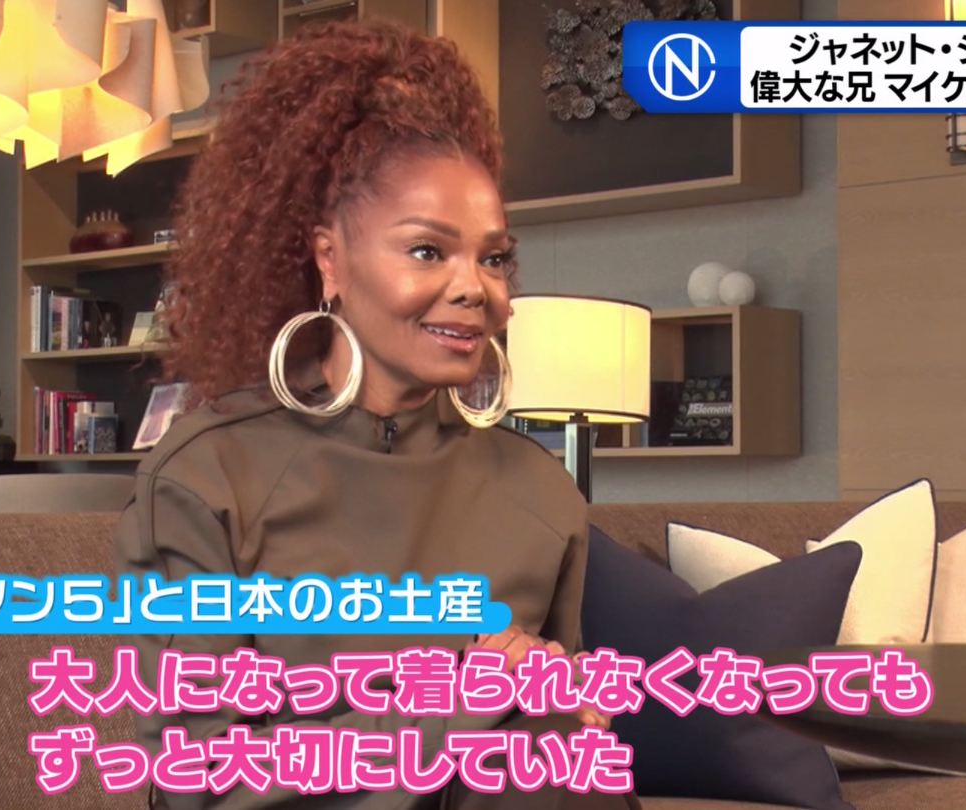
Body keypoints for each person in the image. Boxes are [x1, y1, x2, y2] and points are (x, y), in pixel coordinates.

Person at [113, 18, 640, 810]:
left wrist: (564, 703)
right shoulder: (206, 477)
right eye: (428, 251)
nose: (474, 289)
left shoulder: (540, 492)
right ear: (330, 259)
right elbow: (196, 782)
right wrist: (454, 704)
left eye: (495, 258)